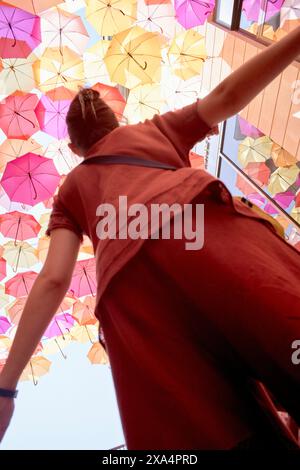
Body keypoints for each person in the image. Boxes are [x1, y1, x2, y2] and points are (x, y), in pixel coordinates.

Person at [0, 25, 300, 450]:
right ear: (114, 118)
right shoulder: (157, 130)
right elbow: (228, 98)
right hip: (207, 238)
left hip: (137, 305)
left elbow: (52, 280)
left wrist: (5, 389)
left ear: (74, 149)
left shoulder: (70, 192)